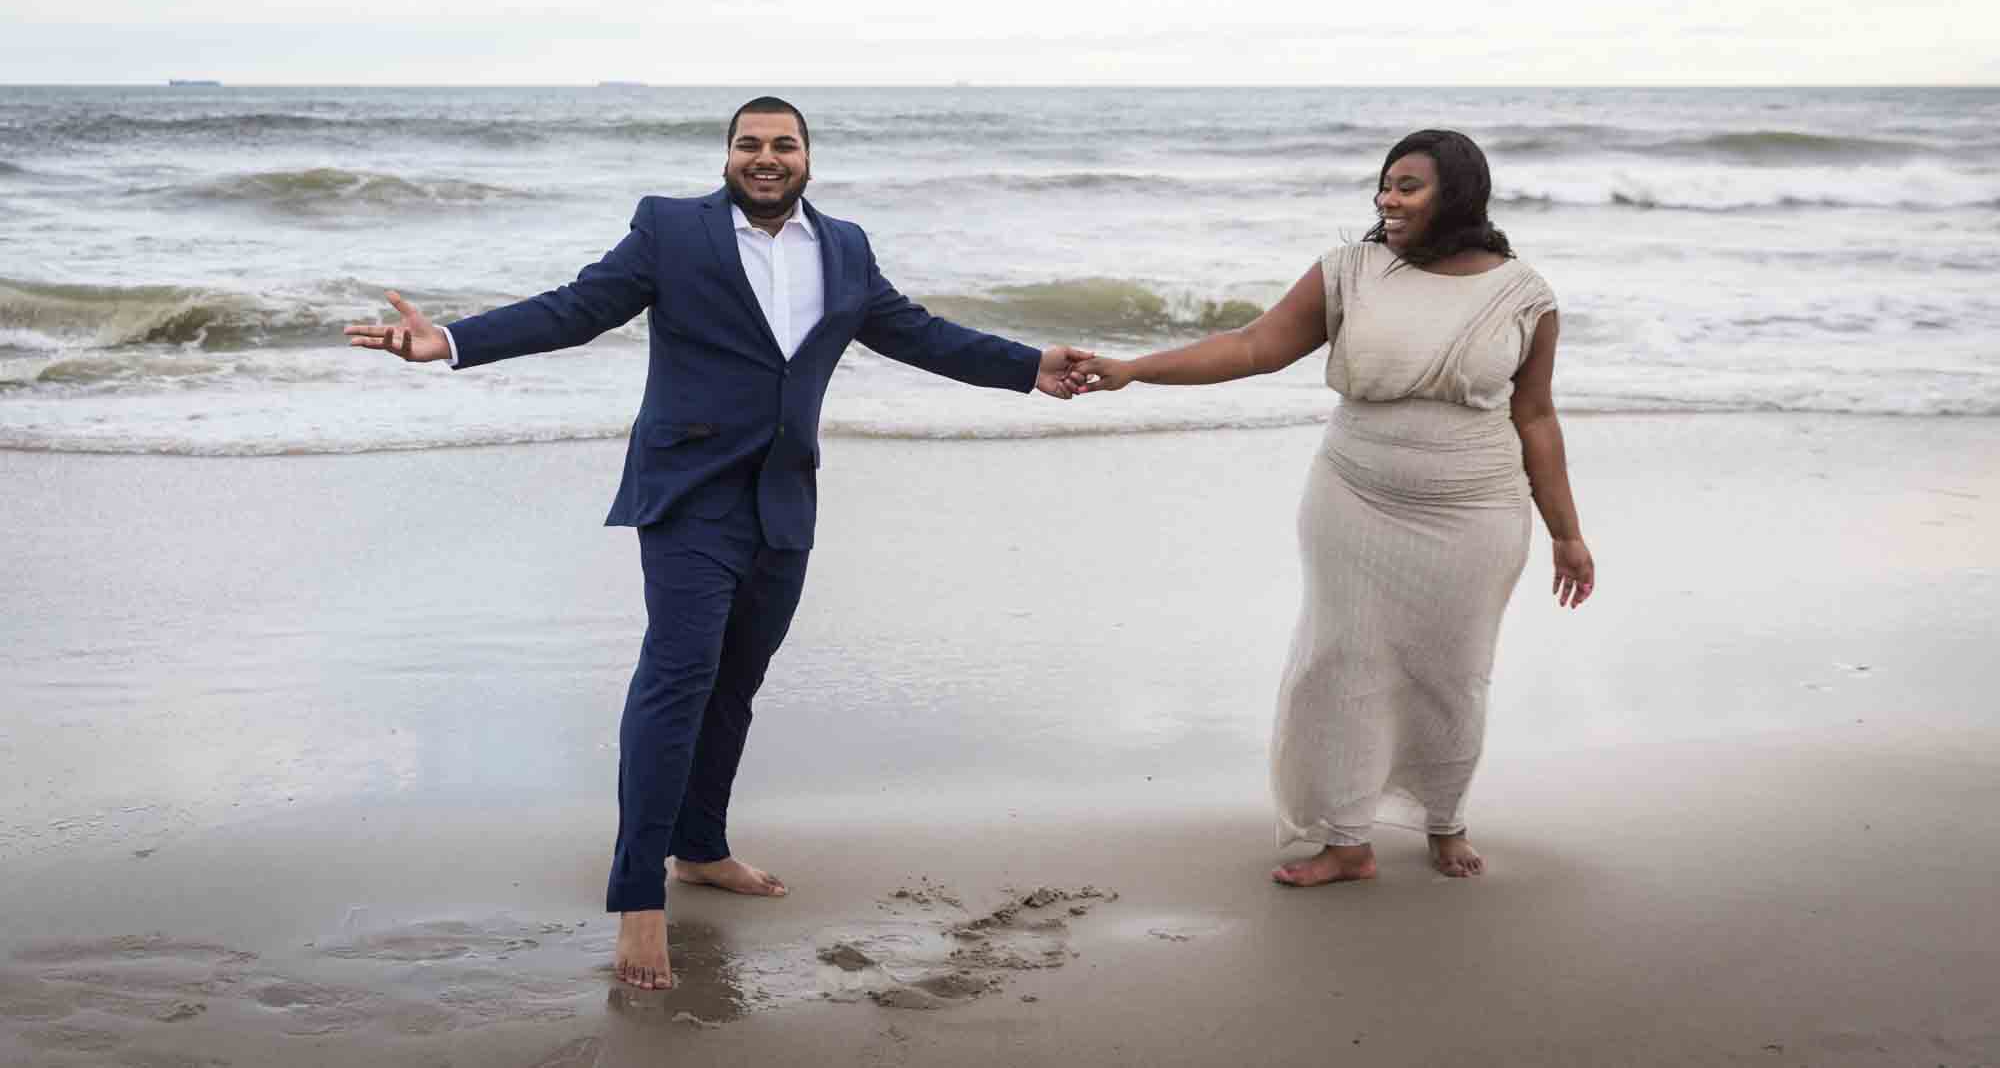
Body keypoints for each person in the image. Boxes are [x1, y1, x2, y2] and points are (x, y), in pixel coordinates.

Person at [343, 96, 1093, 988]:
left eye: (783, 144)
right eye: (749, 144)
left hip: (783, 498)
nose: (765, 157)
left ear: (809, 158)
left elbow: (917, 333)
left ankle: (699, 848)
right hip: (688, 495)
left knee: (735, 681)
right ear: (727, 154)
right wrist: (452, 341)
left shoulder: (845, 246)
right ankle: (638, 899)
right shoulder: (671, 231)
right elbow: (576, 308)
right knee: (677, 677)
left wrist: (1028, 366)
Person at [1077, 129, 1593, 885]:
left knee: (1453, 669)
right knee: (1341, 660)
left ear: (1457, 194)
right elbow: (1253, 344)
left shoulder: (1525, 294)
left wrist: (1567, 534)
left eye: (1408, 185)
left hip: (1476, 509)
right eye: (1384, 183)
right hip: (1354, 497)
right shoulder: (1350, 272)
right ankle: (1346, 839)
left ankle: (1444, 818)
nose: (1387, 197)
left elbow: (1537, 416)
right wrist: (1134, 370)